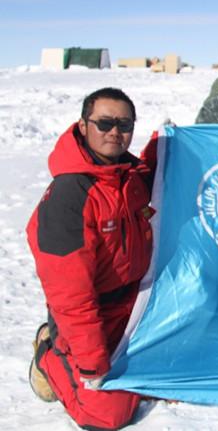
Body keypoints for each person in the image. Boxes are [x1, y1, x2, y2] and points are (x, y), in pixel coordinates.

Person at [26, 87, 157, 429]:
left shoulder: (130, 177)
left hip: (134, 308)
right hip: (90, 317)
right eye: (104, 123)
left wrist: (167, 145)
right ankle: (49, 356)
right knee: (107, 414)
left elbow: (159, 174)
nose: (115, 131)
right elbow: (70, 295)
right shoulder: (70, 196)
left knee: (185, 369)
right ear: (83, 126)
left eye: (124, 124)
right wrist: (92, 362)